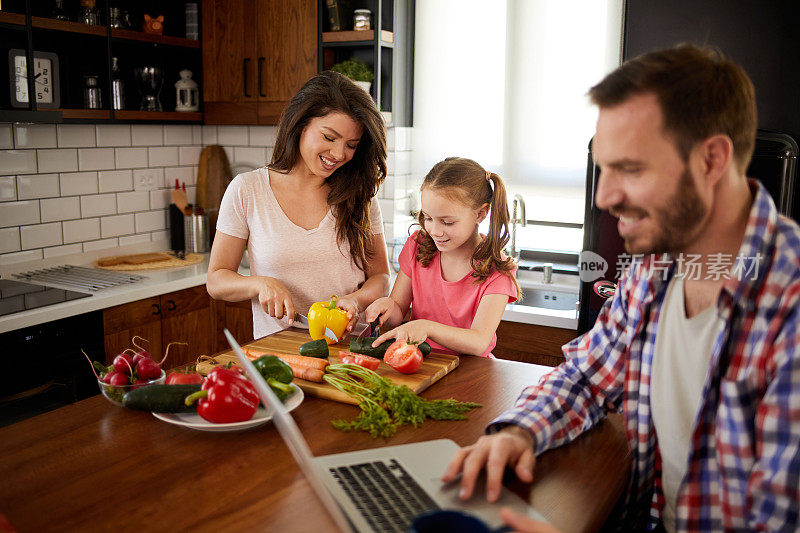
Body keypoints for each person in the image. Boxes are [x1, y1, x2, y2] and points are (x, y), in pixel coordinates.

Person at [443, 44, 800, 532]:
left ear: (712, 160)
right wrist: (517, 433)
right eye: (604, 167)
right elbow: (587, 377)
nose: (605, 197)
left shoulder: (789, 304)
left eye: (630, 168)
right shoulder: (655, 269)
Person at [207, 71, 391, 339]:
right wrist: (260, 285)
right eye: (329, 137)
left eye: (351, 145)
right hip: (280, 351)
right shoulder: (247, 190)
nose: (339, 154)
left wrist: (356, 301)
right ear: (300, 124)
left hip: (350, 349)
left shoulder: (359, 195)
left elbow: (381, 278)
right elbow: (216, 280)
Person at [365, 157, 520, 357]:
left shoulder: (497, 268)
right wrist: (387, 306)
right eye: (428, 218)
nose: (435, 231)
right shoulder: (418, 246)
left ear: (481, 213)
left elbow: (479, 341)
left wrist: (427, 327)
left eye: (447, 222)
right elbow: (397, 309)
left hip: (471, 370)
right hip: (419, 362)